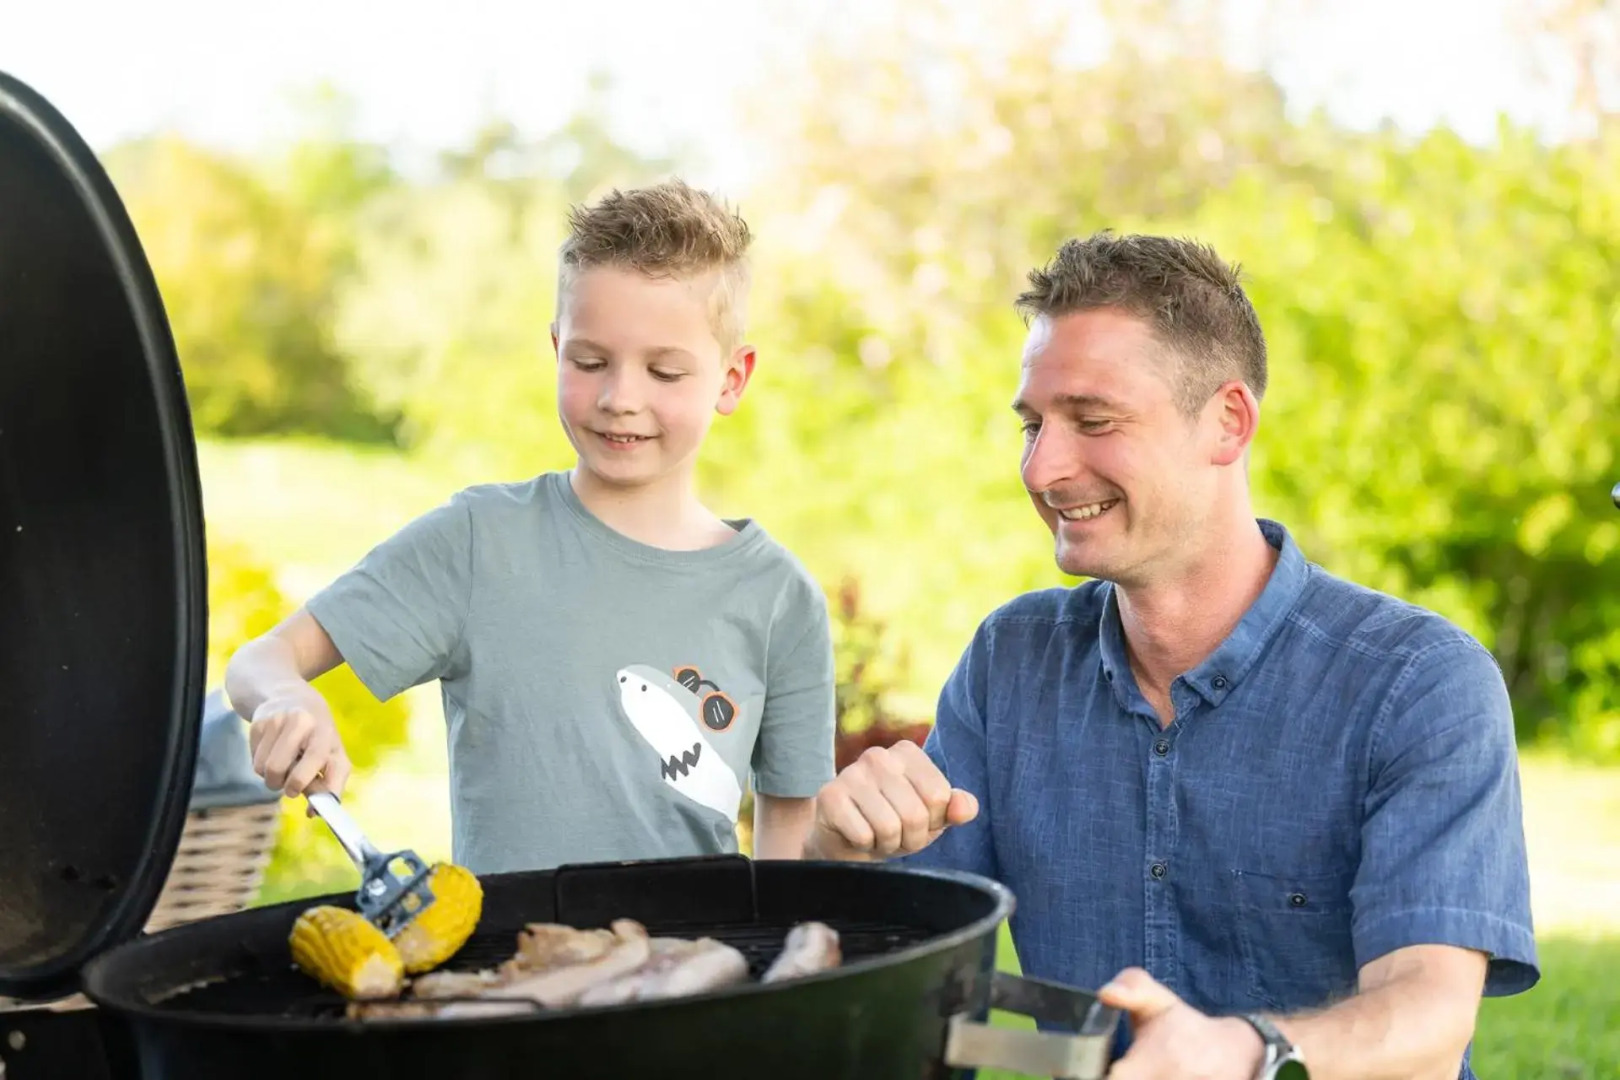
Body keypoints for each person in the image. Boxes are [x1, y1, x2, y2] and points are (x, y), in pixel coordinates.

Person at [803, 233, 1538, 1080]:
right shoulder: (1012, 662)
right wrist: (840, 859)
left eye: (1094, 420)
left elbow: (1429, 1012)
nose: (1043, 468)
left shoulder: (1418, 682)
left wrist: (1246, 1052)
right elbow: (907, 980)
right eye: (1033, 425)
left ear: (1227, 422)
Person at [225, 179, 836, 874]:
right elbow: (259, 662)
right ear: (556, 350)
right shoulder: (480, 542)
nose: (620, 399)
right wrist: (285, 697)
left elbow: (791, 858)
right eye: (589, 362)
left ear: (732, 379)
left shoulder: (779, 597)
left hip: (699, 972)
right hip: (504, 974)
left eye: (665, 372)